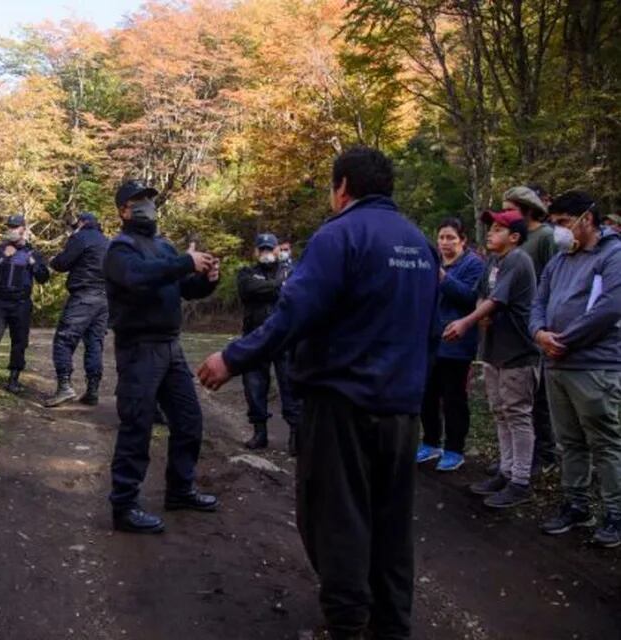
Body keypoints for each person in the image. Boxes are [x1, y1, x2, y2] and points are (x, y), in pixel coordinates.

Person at [198, 147, 438, 640]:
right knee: (392, 523)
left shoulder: (340, 236)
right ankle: (392, 626)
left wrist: (233, 358)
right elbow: (431, 329)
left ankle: (346, 625)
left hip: (343, 405)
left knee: (336, 517)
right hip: (402, 409)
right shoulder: (420, 243)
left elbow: (292, 315)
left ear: (343, 186)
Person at [106, 180, 220, 534]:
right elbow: (138, 279)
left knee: (188, 420)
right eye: (139, 201)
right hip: (139, 348)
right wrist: (184, 262)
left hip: (171, 347)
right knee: (137, 425)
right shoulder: (119, 250)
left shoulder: (163, 245)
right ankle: (124, 505)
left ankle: (180, 489)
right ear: (124, 210)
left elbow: (184, 288)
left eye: (150, 200)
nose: (147, 207)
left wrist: (207, 278)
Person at [531, 191, 621, 548]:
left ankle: (615, 512)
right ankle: (576, 503)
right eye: (555, 225)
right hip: (556, 365)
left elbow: (610, 308)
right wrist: (539, 333)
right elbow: (538, 300)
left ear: (587, 218)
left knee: (605, 440)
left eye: (563, 223)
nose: (559, 232)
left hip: (594, 365)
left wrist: (564, 339)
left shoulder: (612, 256)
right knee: (569, 441)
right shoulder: (559, 261)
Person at [444, 209, 538, 508]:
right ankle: (506, 470)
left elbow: (497, 300)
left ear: (514, 237)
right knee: (500, 411)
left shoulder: (518, 260)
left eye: (498, 229)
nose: (490, 233)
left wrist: (467, 322)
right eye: (491, 228)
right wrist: (479, 314)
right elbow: (481, 294)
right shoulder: (493, 262)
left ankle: (520, 480)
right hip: (494, 349)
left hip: (518, 351)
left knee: (517, 413)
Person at [417, 218, 485, 472]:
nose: (445, 243)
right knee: (427, 395)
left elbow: (471, 298)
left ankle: (455, 448)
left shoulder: (473, 265)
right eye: (441, 238)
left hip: (457, 342)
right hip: (430, 340)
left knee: (454, 397)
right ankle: (430, 441)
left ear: (463, 240)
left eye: (450, 238)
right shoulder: (432, 263)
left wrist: (444, 278)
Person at [506, 186, 559, 475]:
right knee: (519, 396)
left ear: (526, 208)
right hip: (515, 325)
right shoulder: (516, 240)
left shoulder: (546, 237)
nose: (506, 213)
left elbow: (555, 276)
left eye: (511, 207)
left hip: (539, 322)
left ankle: (546, 453)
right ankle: (518, 456)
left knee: (537, 395)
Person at [0, 214, 49, 394]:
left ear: (23, 229)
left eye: (15, 227)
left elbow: (43, 278)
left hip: (21, 302)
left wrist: (33, 263)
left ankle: (13, 379)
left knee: (20, 341)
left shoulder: (32, 252)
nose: (12, 230)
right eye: (9, 227)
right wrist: (3, 258)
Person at [236, 232, 301, 452]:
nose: (265, 253)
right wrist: (278, 286)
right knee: (254, 386)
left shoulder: (290, 271)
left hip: (284, 339)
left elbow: (295, 292)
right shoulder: (247, 273)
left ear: (276, 250)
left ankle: (296, 435)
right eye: (261, 249)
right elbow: (248, 289)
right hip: (255, 337)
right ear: (255, 251)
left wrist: (276, 285)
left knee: (290, 386)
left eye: (269, 248)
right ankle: (259, 432)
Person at [45, 211, 109, 408]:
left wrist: (53, 259)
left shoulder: (81, 238)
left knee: (64, 339)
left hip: (83, 296)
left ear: (82, 223)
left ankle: (64, 386)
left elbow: (63, 264)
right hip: (104, 299)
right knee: (94, 342)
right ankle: (92, 390)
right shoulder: (108, 242)